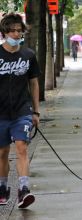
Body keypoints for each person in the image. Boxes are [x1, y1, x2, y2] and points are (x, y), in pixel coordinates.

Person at [0, 13, 40, 208]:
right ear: (4, 32)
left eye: (19, 30)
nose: (16, 34)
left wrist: (36, 112)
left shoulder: (28, 55)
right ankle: (2, 187)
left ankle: (24, 190)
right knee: (2, 152)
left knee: (22, 147)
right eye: (12, 31)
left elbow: (34, 83)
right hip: (0, 113)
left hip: (22, 111)